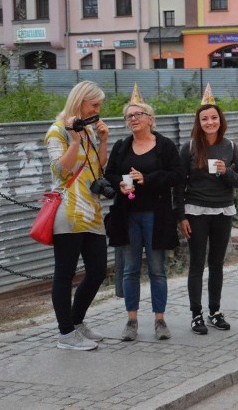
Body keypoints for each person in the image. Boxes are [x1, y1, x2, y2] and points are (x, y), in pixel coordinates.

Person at [105, 100, 182, 341]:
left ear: (150, 118)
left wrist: (146, 179)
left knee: (157, 269)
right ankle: (131, 320)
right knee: (130, 269)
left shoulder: (165, 146)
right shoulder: (121, 146)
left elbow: (177, 175)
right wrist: (120, 181)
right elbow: (109, 173)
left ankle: (160, 320)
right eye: (129, 116)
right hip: (128, 215)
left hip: (156, 215)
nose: (133, 119)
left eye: (138, 114)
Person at [44, 81, 110, 351]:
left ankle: (77, 321)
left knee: (97, 271)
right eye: (93, 105)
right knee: (65, 273)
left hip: (91, 211)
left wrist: (102, 139)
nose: (97, 110)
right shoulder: (57, 131)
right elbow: (61, 170)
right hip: (68, 211)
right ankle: (66, 333)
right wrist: (74, 140)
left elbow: (99, 167)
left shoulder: (89, 129)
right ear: (80, 102)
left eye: (99, 106)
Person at [177, 96, 238, 335]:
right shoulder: (189, 147)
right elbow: (177, 185)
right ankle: (196, 314)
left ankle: (215, 311)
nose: (210, 122)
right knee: (197, 263)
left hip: (223, 210)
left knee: (216, 263)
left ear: (220, 120)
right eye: (204, 118)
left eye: (214, 117)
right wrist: (181, 216)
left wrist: (225, 171)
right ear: (198, 122)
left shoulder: (230, 146)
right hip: (196, 210)